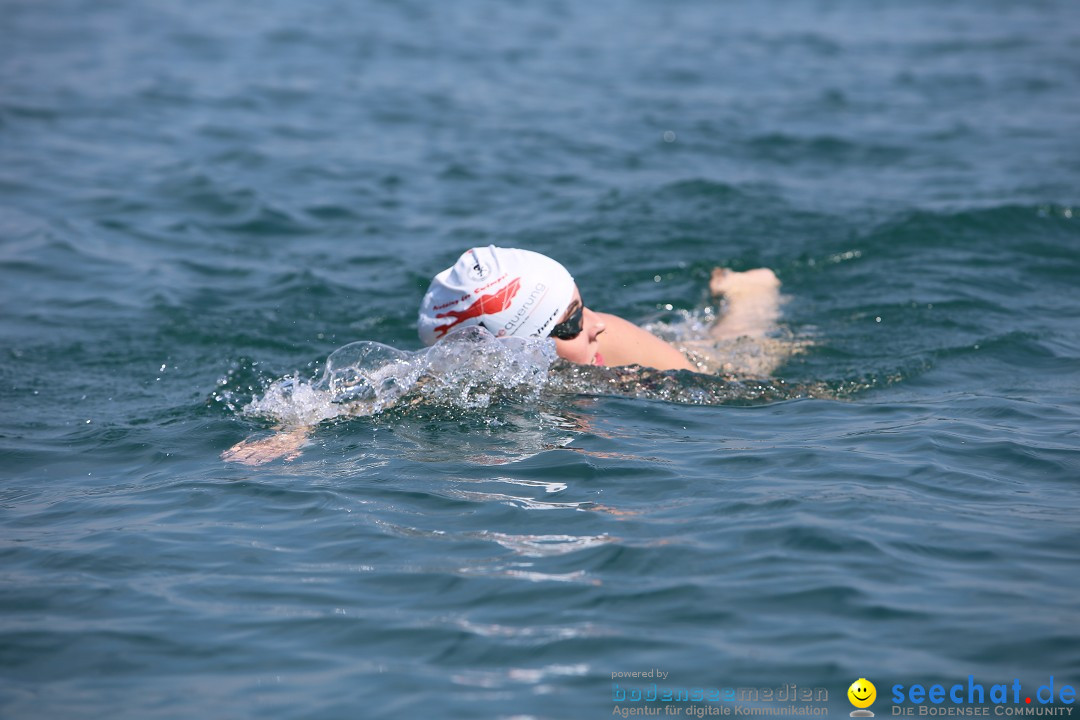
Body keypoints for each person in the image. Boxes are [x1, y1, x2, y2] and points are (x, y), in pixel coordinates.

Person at [222, 246, 782, 465]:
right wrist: (292, 434)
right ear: (514, 347)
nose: (590, 327)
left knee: (733, 361)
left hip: (667, 363)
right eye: (568, 322)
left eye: (581, 306)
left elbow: (727, 398)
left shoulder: (606, 339)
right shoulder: (460, 372)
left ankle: (750, 291)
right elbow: (351, 397)